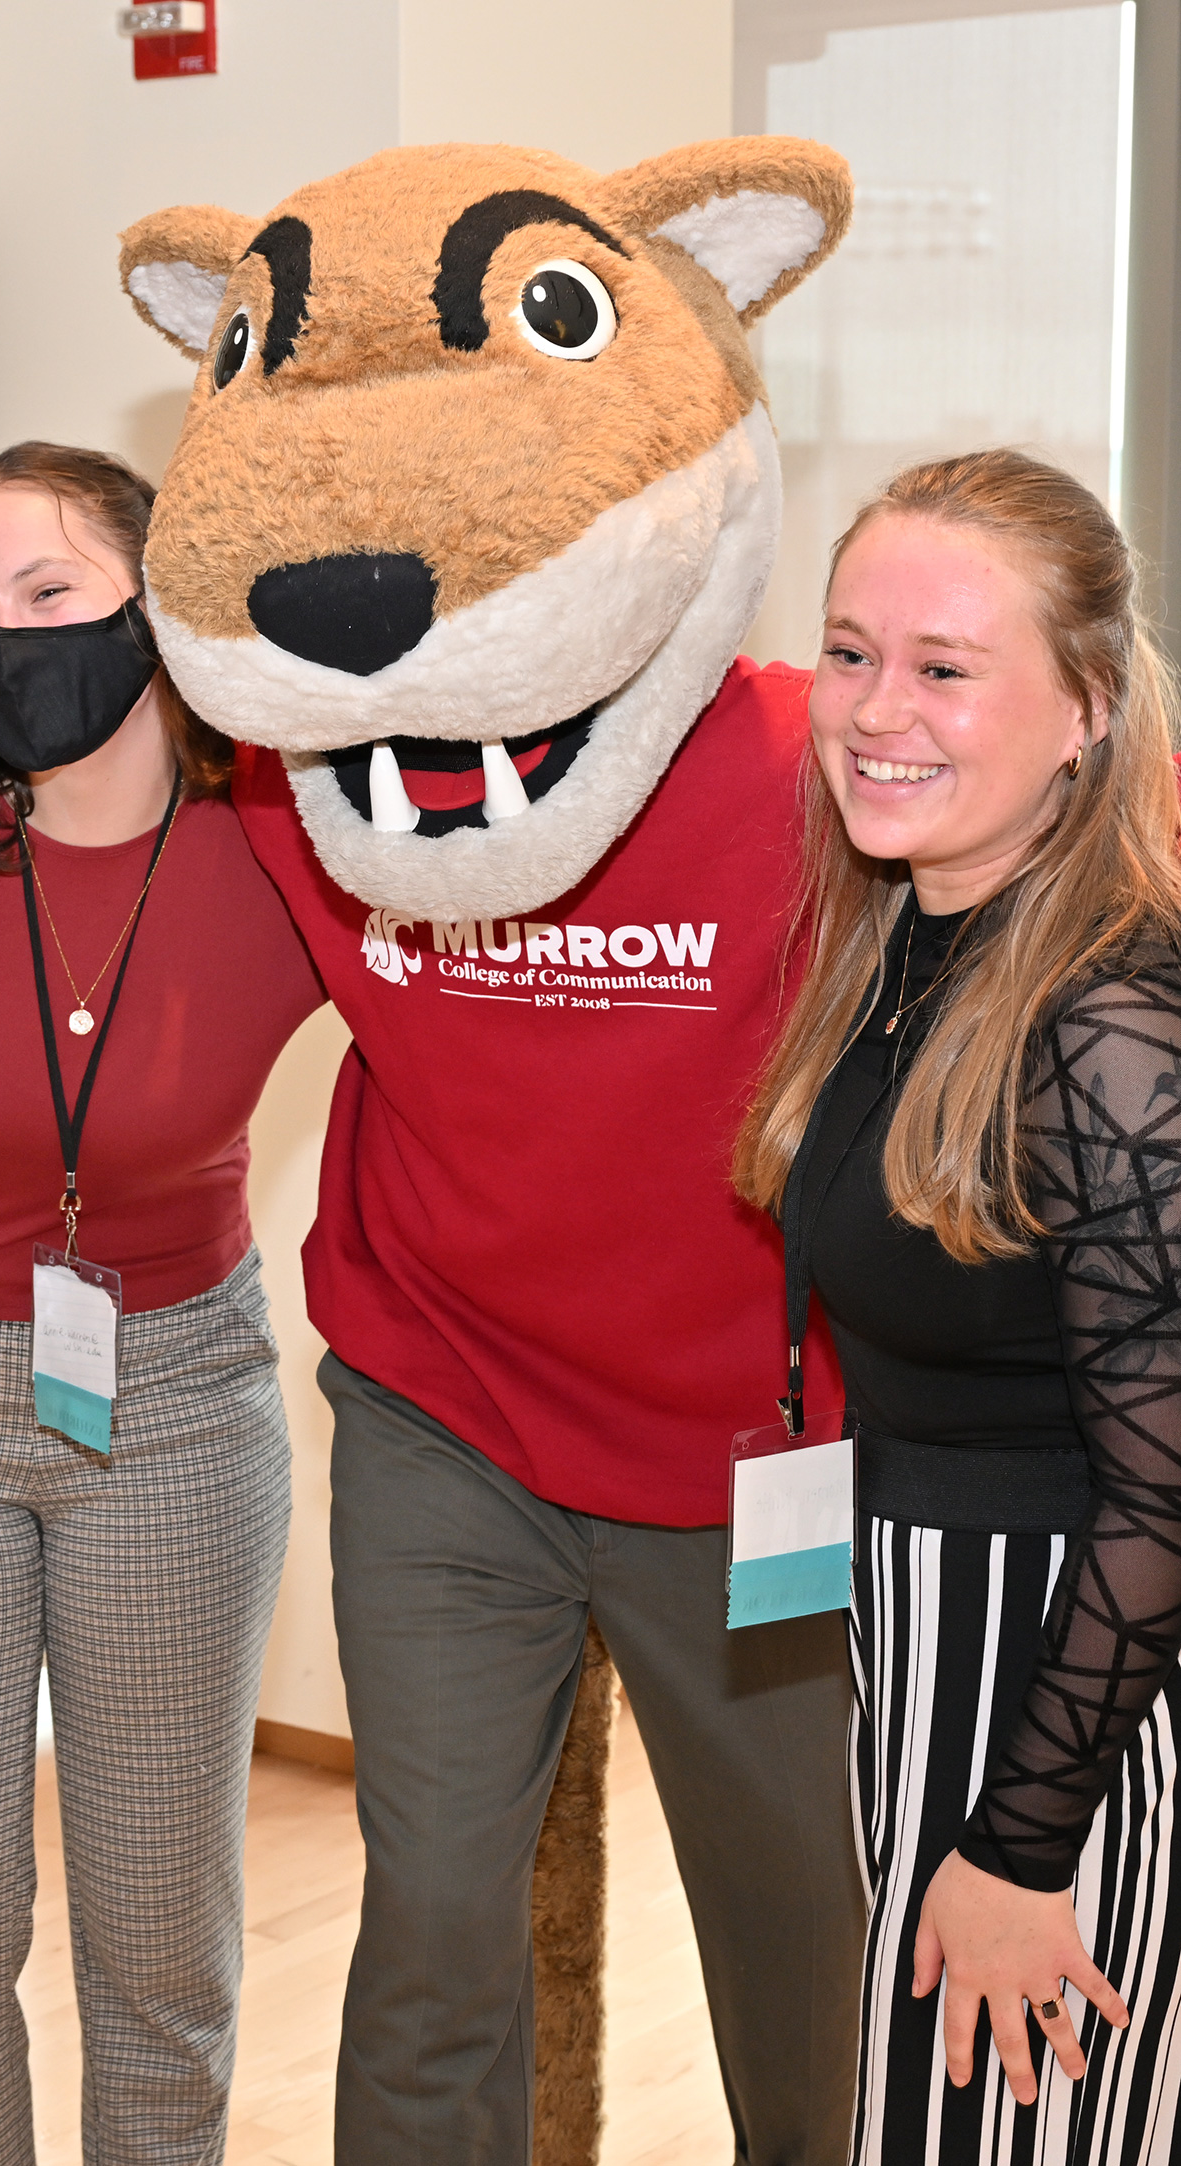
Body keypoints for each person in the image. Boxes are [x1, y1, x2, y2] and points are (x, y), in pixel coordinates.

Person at [0, 443, 328, 2166]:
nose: (7, 642)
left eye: (49, 594)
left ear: (158, 595)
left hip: (175, 1397)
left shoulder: (289, 833)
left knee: (159, 1938)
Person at [734, 449, 1181, 2162]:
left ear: (1084, 709)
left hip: (1052, 1690)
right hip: (934, 1653)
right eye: (849, 653)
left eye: (943, 666)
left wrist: (1020, 1848)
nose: (874, 709)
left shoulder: (1109, 1012)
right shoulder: (912, 936)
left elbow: (1163, 1491)